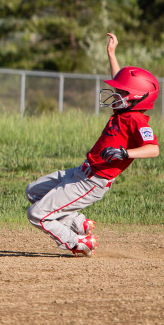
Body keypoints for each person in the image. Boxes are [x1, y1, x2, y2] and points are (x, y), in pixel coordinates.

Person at [25, 32, 159, 257]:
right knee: (33, 191)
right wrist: (111, 53)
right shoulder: (123, 110)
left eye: (122, 93)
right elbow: (118, 79)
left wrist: (124, 152)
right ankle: (77, 222)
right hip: (81, 172)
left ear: (137, 98)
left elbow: (153, 149)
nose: (116, 94)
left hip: (91, 183)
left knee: (36, 215)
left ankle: (78, 242)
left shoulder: (137, 119)